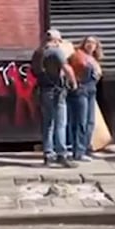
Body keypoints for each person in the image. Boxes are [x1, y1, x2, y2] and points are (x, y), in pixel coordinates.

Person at [31, 29, 78, 168]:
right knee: (60, 123)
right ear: (56, 40)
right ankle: (61, 154)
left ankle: (48, 154)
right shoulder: (56, 52)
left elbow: (33, 71)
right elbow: (67, 68)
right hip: (56, 91)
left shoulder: (38, 53)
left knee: (47, 124)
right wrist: (73, 83)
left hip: (43, 89)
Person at [78, 36, 103, 159]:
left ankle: (87, 147)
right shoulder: (80, 56)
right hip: (82, 90)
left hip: (92, 90)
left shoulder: (94, 59)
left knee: (90, 122)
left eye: (93, 43)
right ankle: (79, 150)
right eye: (88, 42)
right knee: (82, 121)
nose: (90, 45)